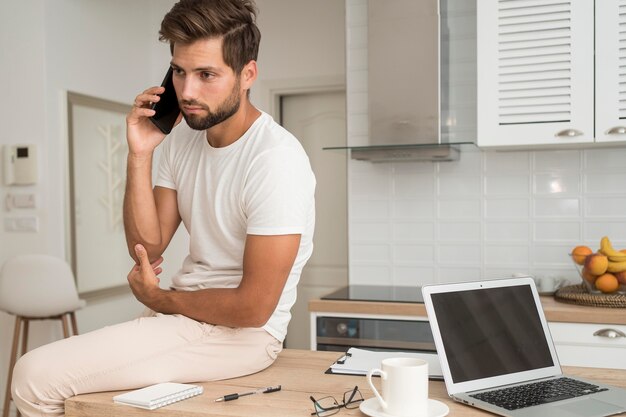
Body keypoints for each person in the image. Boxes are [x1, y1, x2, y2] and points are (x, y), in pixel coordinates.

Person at [10, 0, 315, 415]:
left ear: (248, 74)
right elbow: (146, 247)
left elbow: (253, 307)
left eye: (206, 74)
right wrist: (139, 153)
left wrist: (162, 300)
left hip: (241, 336)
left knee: (33, 375)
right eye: (179, 71)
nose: (187, 92)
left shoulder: (276, 159)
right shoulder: (183, 140)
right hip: (185, 320)